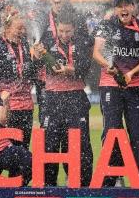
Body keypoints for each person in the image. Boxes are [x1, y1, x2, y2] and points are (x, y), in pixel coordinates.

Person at [93, 0, 139, 186]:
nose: (124, 9)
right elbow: (97, 53)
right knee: (112, 131)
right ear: (115, 9)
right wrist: (109, 66)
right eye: (120, 6)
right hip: (111, 84)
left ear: (133, 7)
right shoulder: (106, 25)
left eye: (127, 5)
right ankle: (113, 176)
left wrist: (131, 73)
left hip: (136, 84)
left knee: (138, 133)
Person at [34, 11, 94, 186]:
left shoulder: (82, 43)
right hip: (52, 97)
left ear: (74, 29)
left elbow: (86, 67)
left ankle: (80, 183)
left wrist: (71, 69)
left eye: (68, 31)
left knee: (79, 142)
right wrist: (37, 56)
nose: (64, 34)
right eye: (61, 31)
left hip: (76, 97)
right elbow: (34, 67)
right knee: (50, 141)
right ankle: (48, 185)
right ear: (57, 29)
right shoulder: (47, 42)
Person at [0, 4, 37, 149]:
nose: (22, 32)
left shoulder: (24, 46)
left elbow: (29, 74)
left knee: (23, 149)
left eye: (23, 28)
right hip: (6, 107)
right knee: (6, 149)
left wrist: (36, 60)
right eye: (19, 28)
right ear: (7, 28)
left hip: (26, 107)